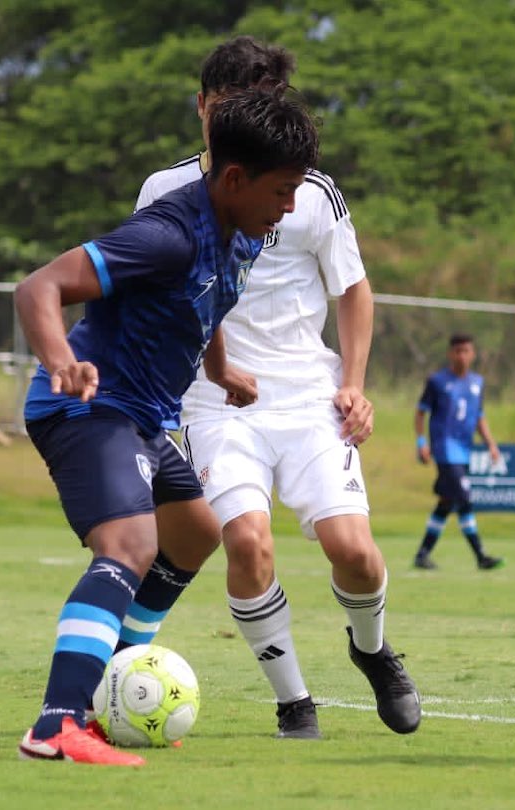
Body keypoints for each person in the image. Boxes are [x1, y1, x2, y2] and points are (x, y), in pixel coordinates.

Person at [13, 88, 319, 766]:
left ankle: (100, 694)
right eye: (283, 190)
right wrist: (62, 361)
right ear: (234, 180)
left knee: (195, 533)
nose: (290, 207)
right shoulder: (166, 235)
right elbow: (37, 287)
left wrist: (222, 369)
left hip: (143, 415)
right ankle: (57, 723)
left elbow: (205, 305)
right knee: (129, 544)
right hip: (86, 403)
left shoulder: (244, 235)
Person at [128, 35, 421, 741]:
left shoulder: (312, 193)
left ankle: (373, 650)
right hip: (214, 402)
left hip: (305, 398)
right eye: (224, 110)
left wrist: (352, 384)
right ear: (202, 108)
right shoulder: (165, 192)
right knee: (247, 542)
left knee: (355, 551)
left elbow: (353, 290)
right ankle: (295, 702)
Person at [412, 334, 504, 571]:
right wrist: (422, 442)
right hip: (444, 449)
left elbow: (479, 417)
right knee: (464, 499)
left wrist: (491, 444)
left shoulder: (477, 383)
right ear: (450, 354)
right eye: (457, 351)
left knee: (446, 502)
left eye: (466, 351)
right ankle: (481, 555)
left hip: (464, 450)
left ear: (473, 354)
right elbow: (421, 412)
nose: (462, 355)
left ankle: (422, 554)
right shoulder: (437, 381)